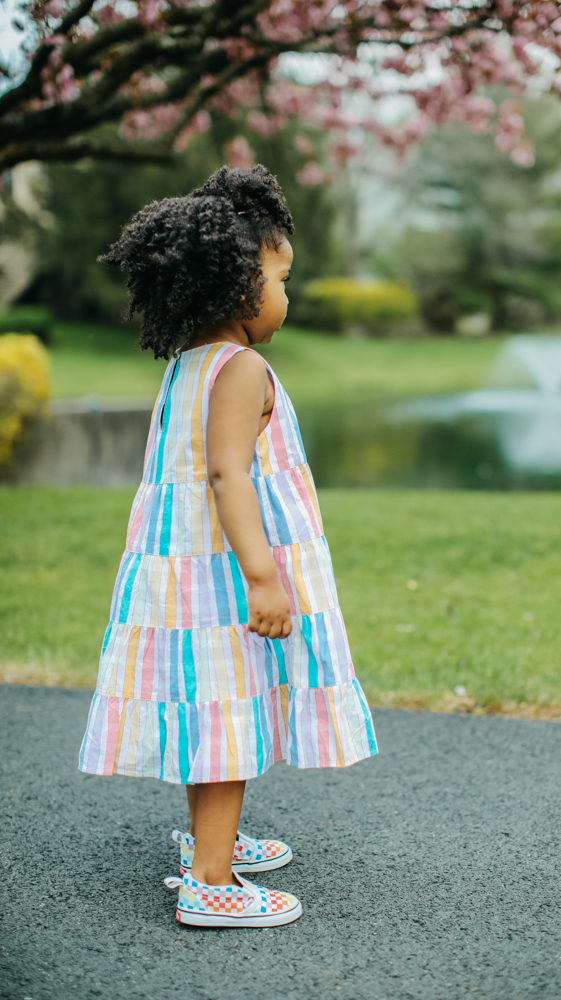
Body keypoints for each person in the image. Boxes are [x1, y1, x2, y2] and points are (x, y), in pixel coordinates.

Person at [78, 165, 378, 928]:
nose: (288, 294)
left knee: (215, 711)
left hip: (184, 578)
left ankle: (211, 845)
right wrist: (264, 576)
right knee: (229, 719)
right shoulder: (241, 369)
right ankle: (211, 882)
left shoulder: (188, 364)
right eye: (280, 278)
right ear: (239, 288)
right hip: (223, 580)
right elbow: (226, 476)